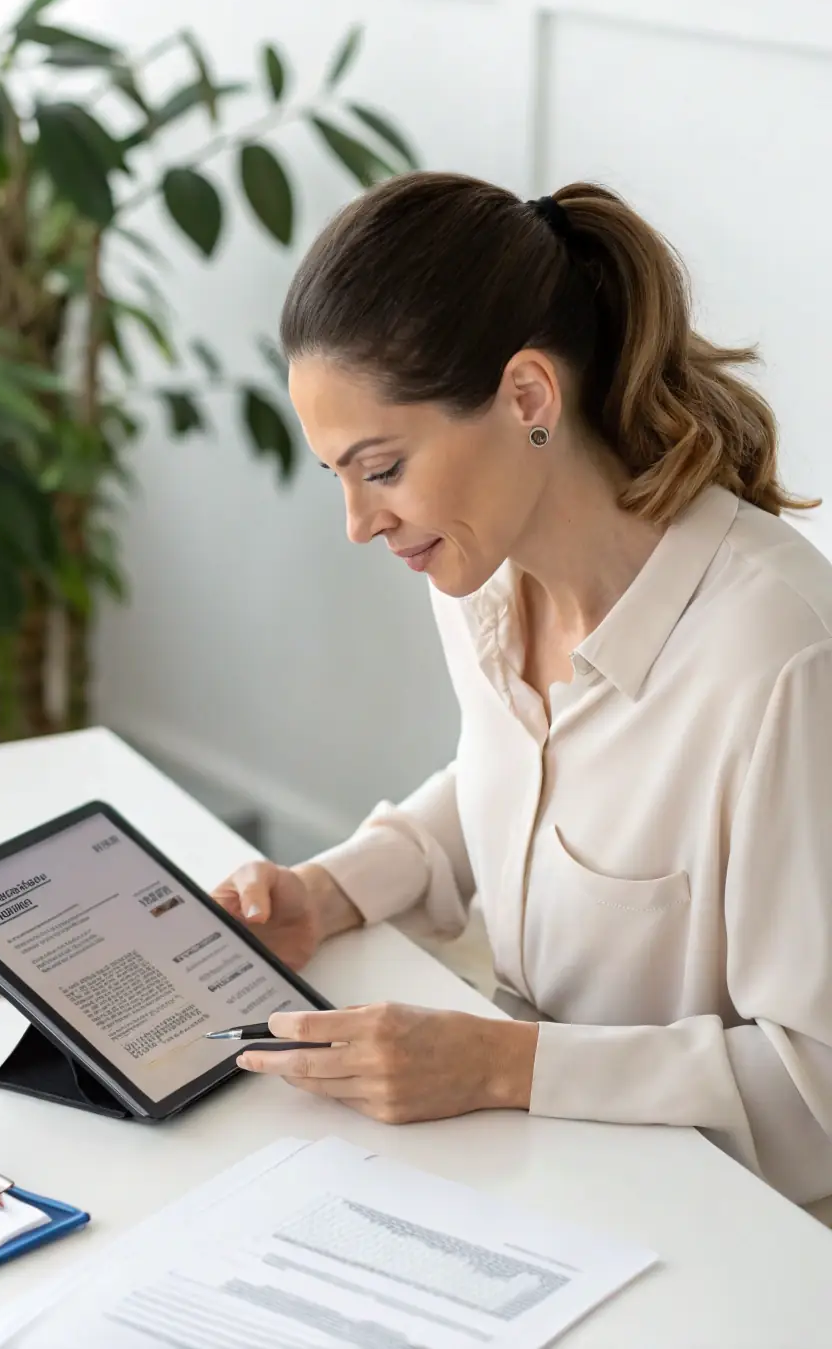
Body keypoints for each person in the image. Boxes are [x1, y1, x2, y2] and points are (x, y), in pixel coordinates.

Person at [210, 173, 832, 1208]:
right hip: (540, 1177)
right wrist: (333, 889)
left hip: (735, 1237)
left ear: (528, 398)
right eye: (339, 476)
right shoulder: (477, 577)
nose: (360, 525)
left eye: (384, 467)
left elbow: (817, 1091)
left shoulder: (778, 657)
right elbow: (516, 783)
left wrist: (499, 1065)